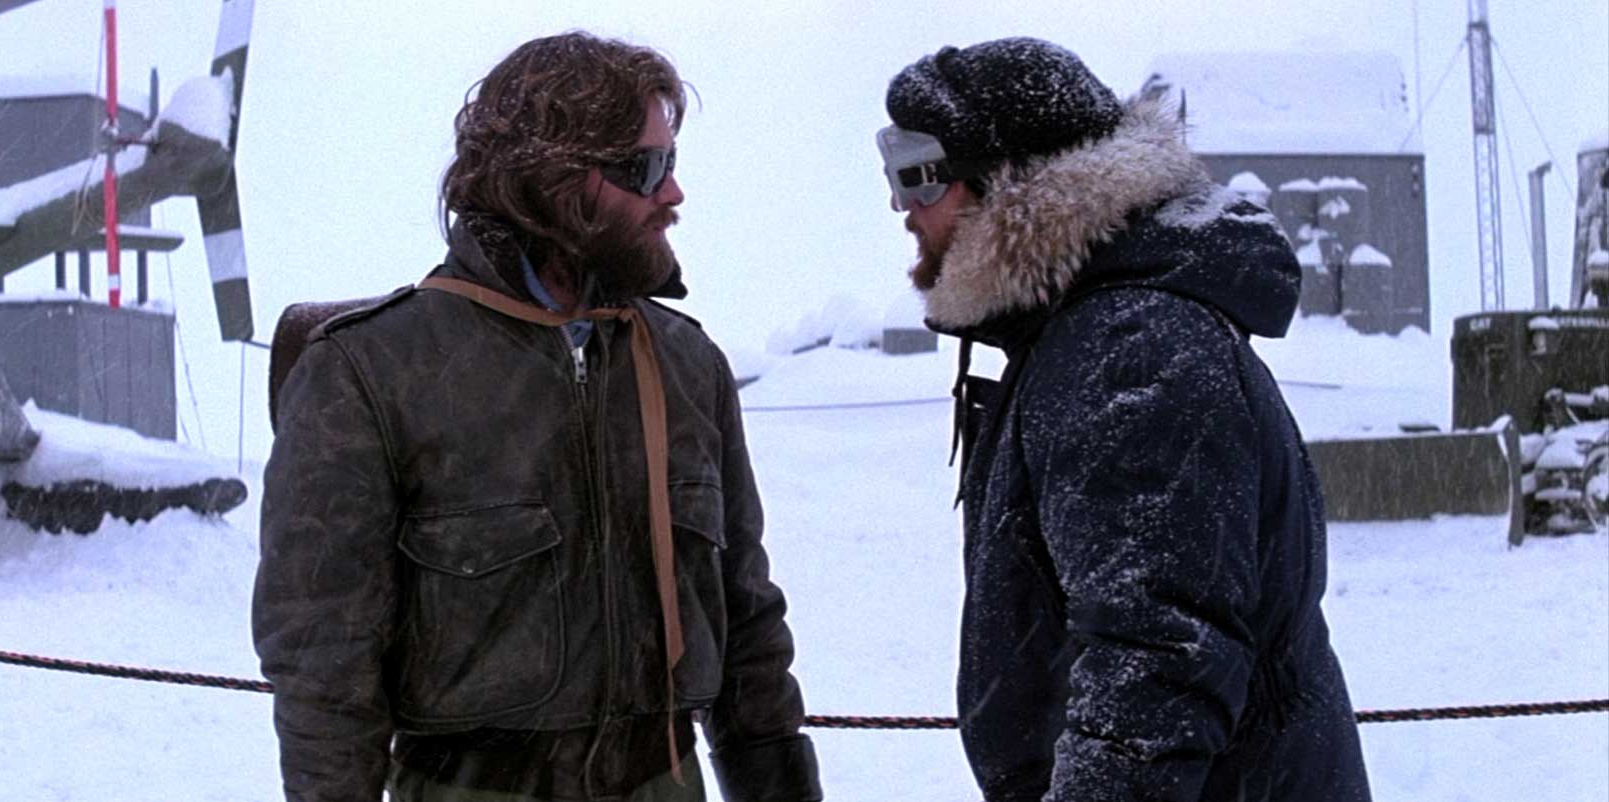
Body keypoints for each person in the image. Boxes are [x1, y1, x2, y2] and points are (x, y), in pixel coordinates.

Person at [255, 32, 822, 802]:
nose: (673, 194)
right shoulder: (370, 371)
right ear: (547, 180)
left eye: (671, 162)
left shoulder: (688, 364)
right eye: (644, 168)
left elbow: (746, 618)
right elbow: (325, 666)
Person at [876, 38, 1373, 801]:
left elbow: (1154, 672)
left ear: (1010, 185)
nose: (902, 209)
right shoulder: (1088, 336)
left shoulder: (1130, 350)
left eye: (918, 175)